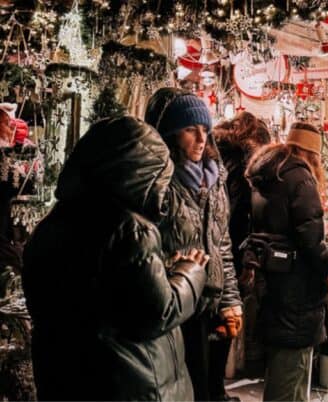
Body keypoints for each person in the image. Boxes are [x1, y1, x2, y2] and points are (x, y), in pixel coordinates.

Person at [21, 116, 208, 400]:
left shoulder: (52, 225)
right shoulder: (130, 230)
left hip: (67, 380)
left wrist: (164, 269)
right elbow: (158, 312)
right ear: (142, 175)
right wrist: (190, 272)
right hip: (128, 384)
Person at [145, 88, 243, 402]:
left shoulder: (215, 180)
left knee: (213, 390)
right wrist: (174, 265)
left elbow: (222, 245)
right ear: (172, 135)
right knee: (187, 391)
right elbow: (146, 247)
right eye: (191, 130)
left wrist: (230, 300)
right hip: (178, 307)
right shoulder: (160, 185)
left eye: (205, 130)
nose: (201, 139)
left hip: (212, 305)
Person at [244, 122, 328, 401]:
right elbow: (311, 239)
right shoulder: (301, 178)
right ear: (313, 154)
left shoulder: (269, 174)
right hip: (297, 289)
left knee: (281, 369)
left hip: (274, 284)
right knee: (292, 374)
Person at [214, 111, 272, 376]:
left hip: (210, 247)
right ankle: (214, 389)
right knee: (225, 317)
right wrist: (244, 257)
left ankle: (212, 387)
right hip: (228, 250)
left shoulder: (216, 154)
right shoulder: (242, 164)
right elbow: (235, 213)